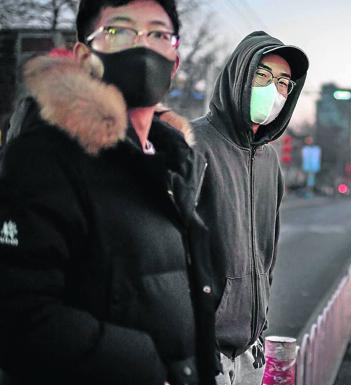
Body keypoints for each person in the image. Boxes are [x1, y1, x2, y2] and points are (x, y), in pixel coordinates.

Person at [0, 1, 218, 384]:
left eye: (158, 34)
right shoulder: (45, 156)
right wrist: (150, 369)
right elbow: (18, 314)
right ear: (85, 55)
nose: (142, 46)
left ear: (175, 59)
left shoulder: (174, 161)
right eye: (118, 31)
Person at [192, 31, 309, 385]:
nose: (273, 90)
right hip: (201, 348)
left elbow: (267, 253)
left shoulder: (269, 160)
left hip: (250, 348)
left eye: (283, 83)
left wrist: (261, 324)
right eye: (262, 76)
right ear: (239, 75)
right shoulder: (193, 144)